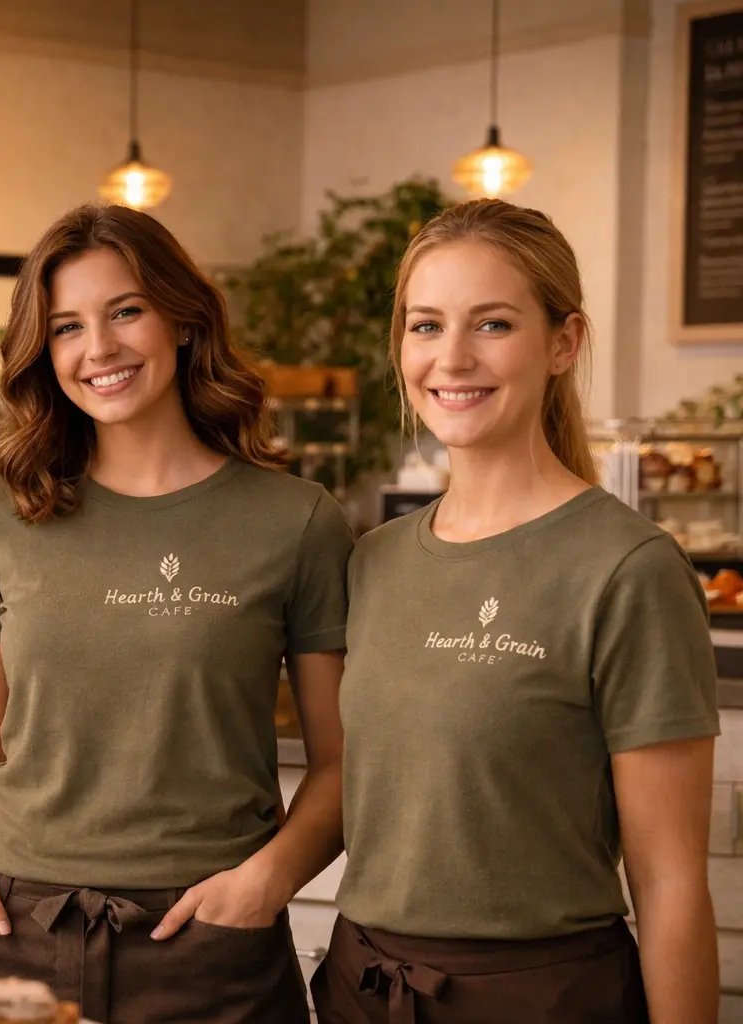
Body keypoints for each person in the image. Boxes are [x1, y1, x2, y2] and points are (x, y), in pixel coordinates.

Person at [0, 203, 351, 1023]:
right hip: (3, 925)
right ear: (43, 353)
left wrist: (266, 882)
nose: (100, 349)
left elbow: (341, 762)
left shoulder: (295, 521)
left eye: (127, 311)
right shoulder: (1, 511)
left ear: (183, 321)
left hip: (205, 940)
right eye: (67, 327)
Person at [311, 198, 720, 1024]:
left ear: (563, 343)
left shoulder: (630, 569)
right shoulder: (375, 560)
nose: (451, 358)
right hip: (362, 990)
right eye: (425, 326)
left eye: (492, 325)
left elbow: (672, 883)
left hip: (541, 1000)